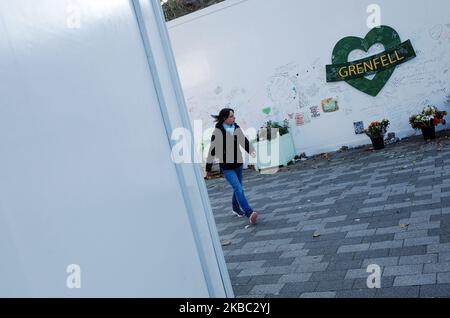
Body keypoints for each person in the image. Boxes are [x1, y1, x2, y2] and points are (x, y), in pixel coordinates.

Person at [205, 108, 259, 225]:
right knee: (239, 188)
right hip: (227, 167)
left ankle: (235, 207)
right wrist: (208, 169)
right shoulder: (218, 132)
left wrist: (251, 151)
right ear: (225, 118)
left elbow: (243, 140)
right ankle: (249, 212)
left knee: (237, 188)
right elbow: (212, 151)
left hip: (238, 164)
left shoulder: (235, 127)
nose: (234, 118)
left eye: (234, 116)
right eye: (231, 116)